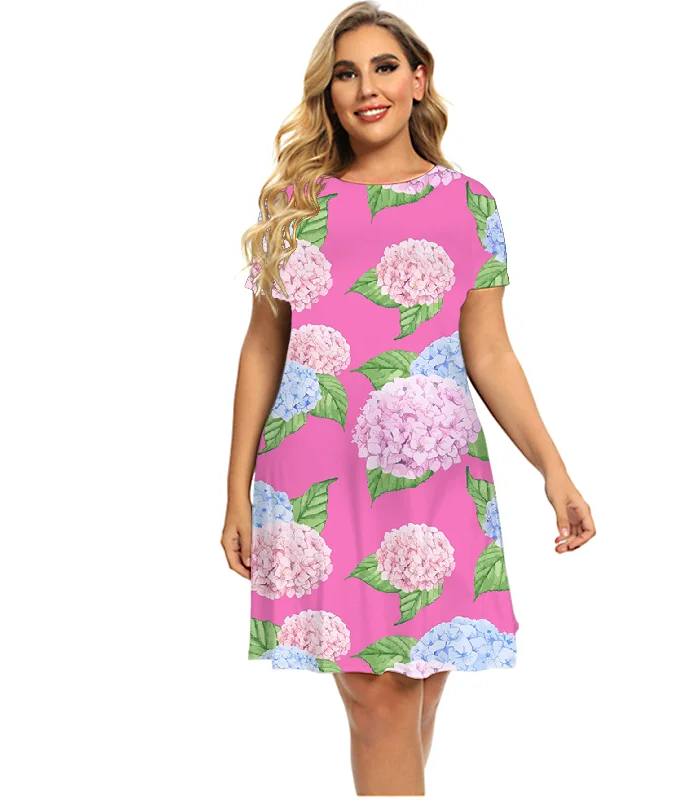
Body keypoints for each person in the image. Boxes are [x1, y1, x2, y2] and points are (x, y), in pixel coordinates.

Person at [222, 2, 596, 794]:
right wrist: (236, 491)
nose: (368, 87)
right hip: (317, 473)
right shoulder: (293, 203)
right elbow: (262, 349)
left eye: (385, 67)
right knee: (379, 702)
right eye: (346, 73)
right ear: (328, 93)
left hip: (433, 475)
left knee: (412, 697)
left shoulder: (469, 203)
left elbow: (489, 351)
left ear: (419, 79)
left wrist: (553, 469)